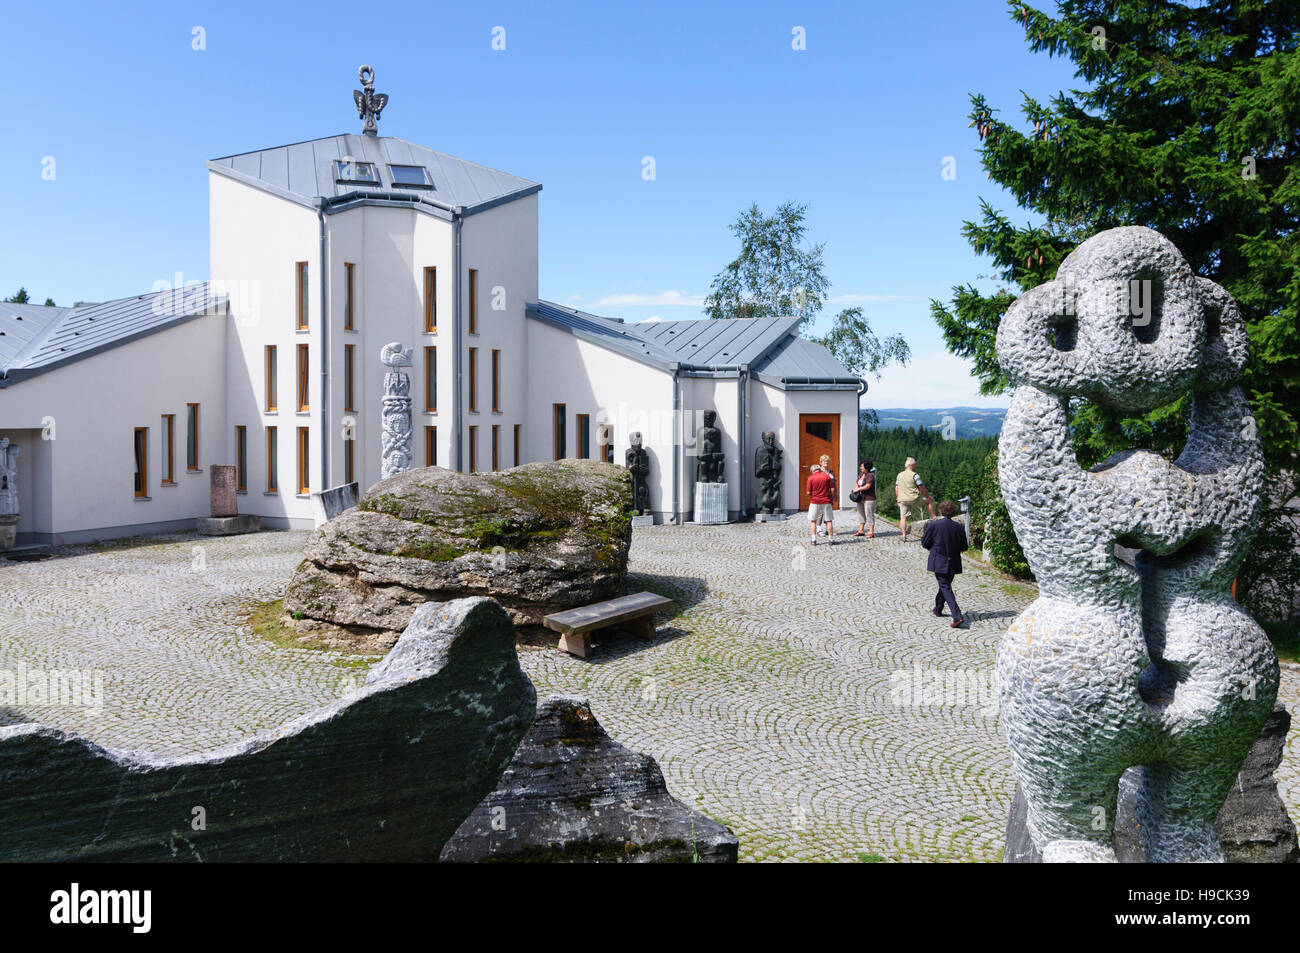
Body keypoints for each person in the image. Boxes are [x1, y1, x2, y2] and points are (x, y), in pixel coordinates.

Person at [922, 500, 969, 627]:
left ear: (940, 511)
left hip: (938, 561)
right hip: (953, 561)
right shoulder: (959, 527)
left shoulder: (933, 525)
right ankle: (938, 609)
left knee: (945, 586)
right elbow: (964, 546)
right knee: (944, 585)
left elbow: (925, 543)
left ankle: (957, 616)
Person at [894, 457, 936, 542]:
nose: (915, 466)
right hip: (914, 498)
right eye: (915, 465)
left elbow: (896, 487)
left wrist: (898, 498)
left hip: (902, 499)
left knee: (903, 518)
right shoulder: (915, 475)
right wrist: (928, 496)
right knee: (929, 501)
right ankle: (934, 517)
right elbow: (921, 487)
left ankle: (904, 535)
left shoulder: (899, 475)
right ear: (911, 465)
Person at [807, 462, 836, 545]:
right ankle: (830, 539)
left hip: (815, 501)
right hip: (826, 500)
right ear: (819, 469)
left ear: (813, 471)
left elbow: (808, 492)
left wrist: (814, 495)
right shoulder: (827, 477)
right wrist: (831, 497)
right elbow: (832, 489)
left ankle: (813, 540)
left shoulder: (810, 478)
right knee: (829, 520)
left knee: (813, 521)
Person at [853, 460, 876, 537]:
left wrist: (858, 489)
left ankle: (871, 531)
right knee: (861, 514)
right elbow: (857, 483)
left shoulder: (870, 475)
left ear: (866, 467)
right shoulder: (861, 475)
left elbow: (867, 486)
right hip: (860, 498)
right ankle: (861, 530)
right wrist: (856, 490)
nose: (860, 468)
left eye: (862, 466)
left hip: (869, 498)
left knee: (869, 514)